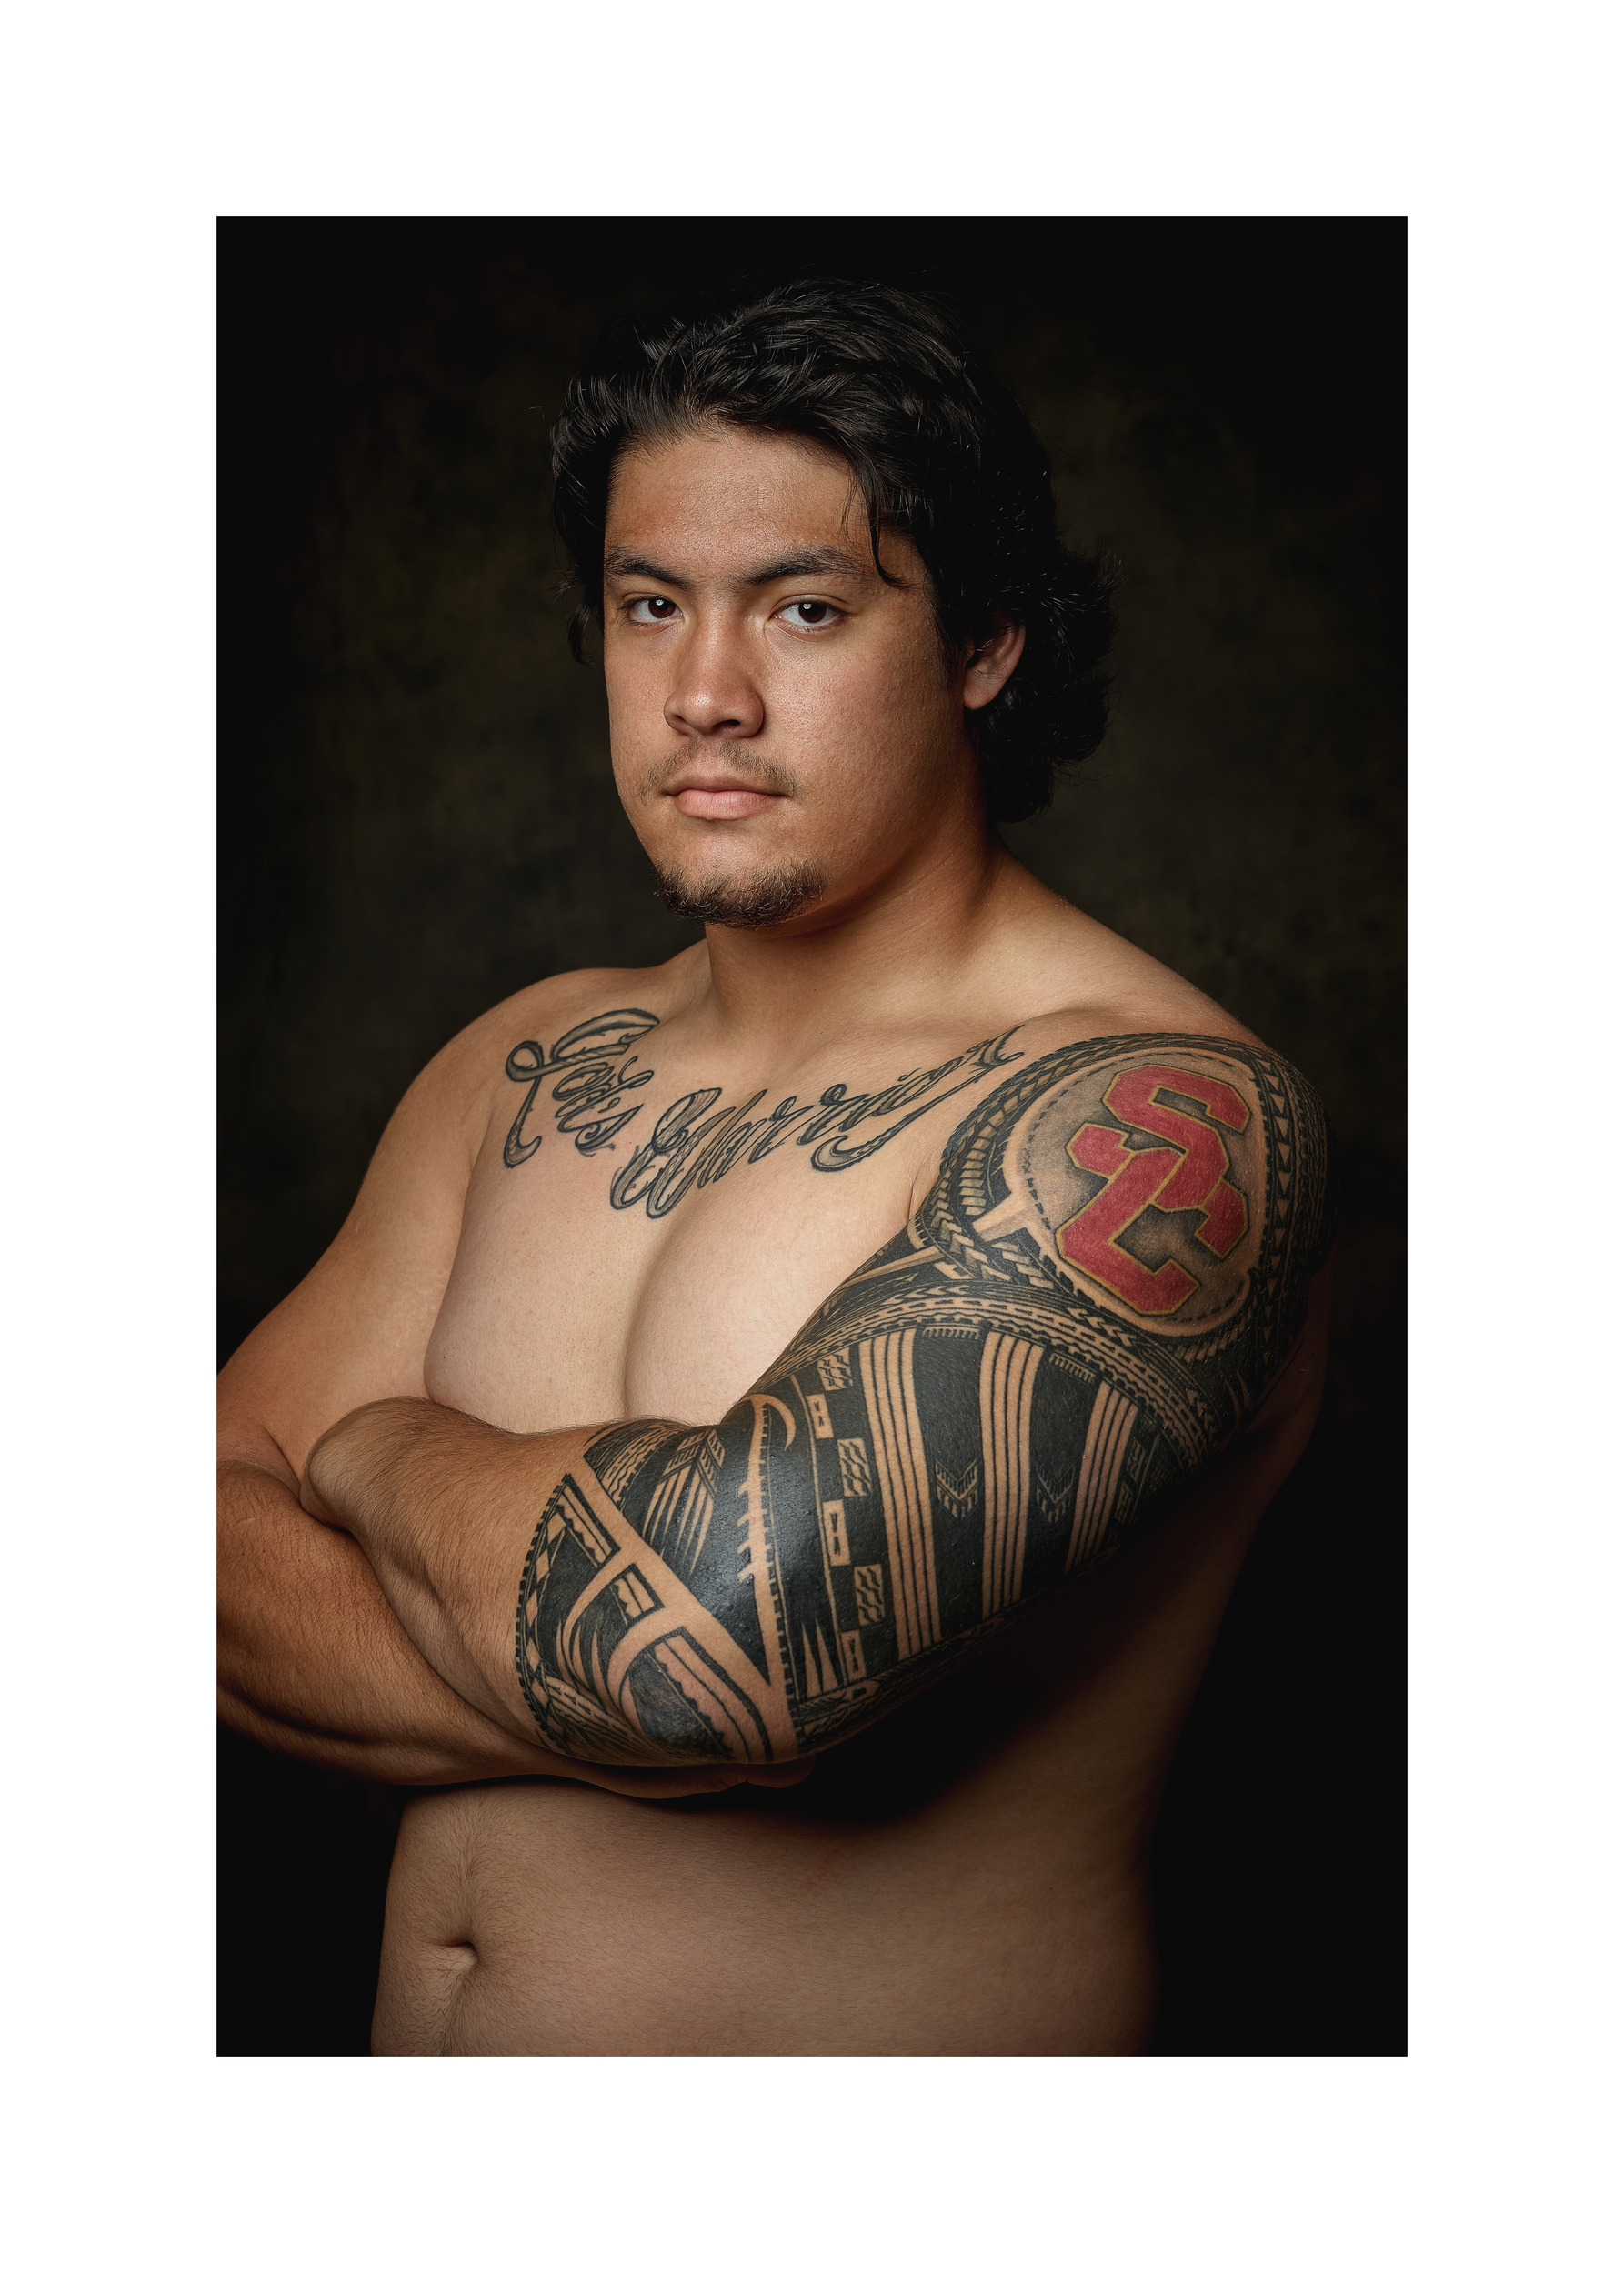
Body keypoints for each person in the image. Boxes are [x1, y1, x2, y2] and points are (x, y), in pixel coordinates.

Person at [216, 277, 1336, 2055]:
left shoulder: (1153, 1124)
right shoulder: (529, 1062)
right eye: (648, 604)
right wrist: (639, 1665)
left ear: (982, 641)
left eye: (803, 608)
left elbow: (725, 1644)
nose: (703, 695)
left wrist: (369, 1448)